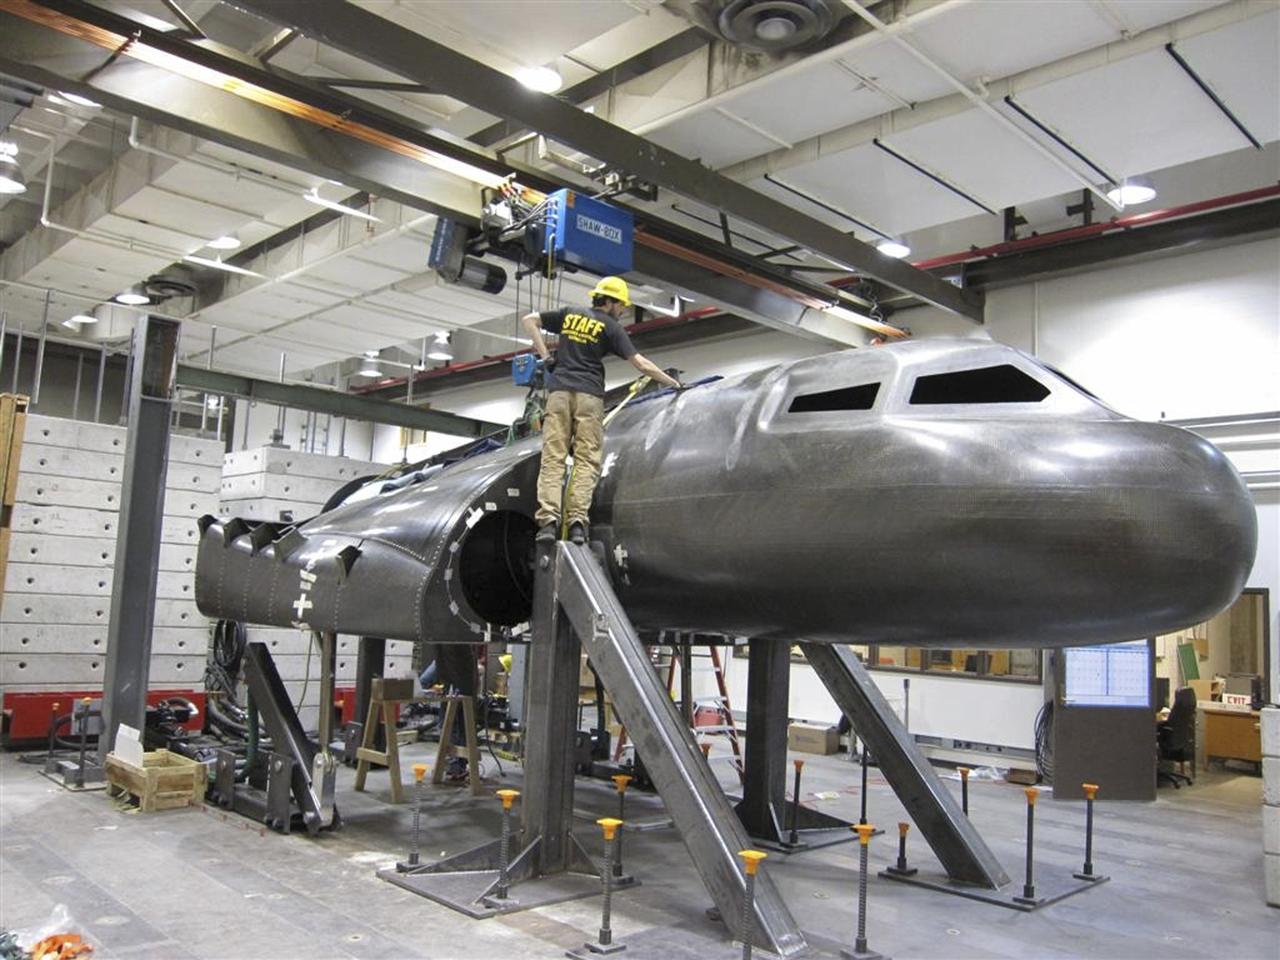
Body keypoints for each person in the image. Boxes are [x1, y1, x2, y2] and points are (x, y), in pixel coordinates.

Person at [521, 276, 683, 545]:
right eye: (621, 305)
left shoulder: (569, 314)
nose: (622, 311)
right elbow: (641, 364)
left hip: (559, 393)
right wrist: (672, 383)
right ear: (609, 302)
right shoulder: (611, 327)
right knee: (586, 459)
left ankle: (548, 524)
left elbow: (529, 321)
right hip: (589, 395)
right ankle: (576, 524)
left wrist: (547, 357)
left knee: (553, 458)